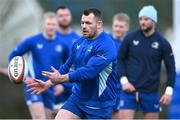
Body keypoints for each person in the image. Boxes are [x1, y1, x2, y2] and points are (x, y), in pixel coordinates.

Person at [27, 8, 118, 119]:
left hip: (99, 105)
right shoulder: (79, 42)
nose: (84, 26)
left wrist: (61, 79)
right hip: (77, 99)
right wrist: (48, 84)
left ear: (99, 24)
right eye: (82, 22)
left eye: (88, 23)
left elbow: (88, 72)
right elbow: (68, 65)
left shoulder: (107, 45)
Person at [117, 5, 176, 119]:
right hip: (129, 92)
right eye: (141, 19)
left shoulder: (163, 43)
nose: (142, 22)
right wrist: (124, 81)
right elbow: (120, 59)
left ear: (154, 21)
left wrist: (169, 91)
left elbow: (171, 68)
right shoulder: (130, 38)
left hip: (150, 93)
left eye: (146, 19)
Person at [8, 12, 69, 119]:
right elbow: (13, 57)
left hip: (50, 87)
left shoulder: (63, 44)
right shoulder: (32, 40)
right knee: (39, 118)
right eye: (48, 24)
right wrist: (25, 77)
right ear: (43, 24)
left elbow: (68, 66)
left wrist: (61, 84)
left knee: (48, 118)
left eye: (53, 24)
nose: (51, 27)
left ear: (57, 25)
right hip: (33, 86)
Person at [53, 5, 80, 110]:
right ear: (56, 18)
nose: (64, 18)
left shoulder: (78, 39)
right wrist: (55, 84)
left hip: (74, 88)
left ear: (71, 16)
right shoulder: (50, 37)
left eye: (66, 15)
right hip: (56, 88)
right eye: (61, 15)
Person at [109, 13, 130, 119]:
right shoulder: (105, 40)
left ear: (126, 28)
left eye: (121, 26)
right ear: (112, 26)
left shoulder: (130, 44)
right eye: (116, 26)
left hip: (121, 89)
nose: (118, 29)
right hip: (105, 88)